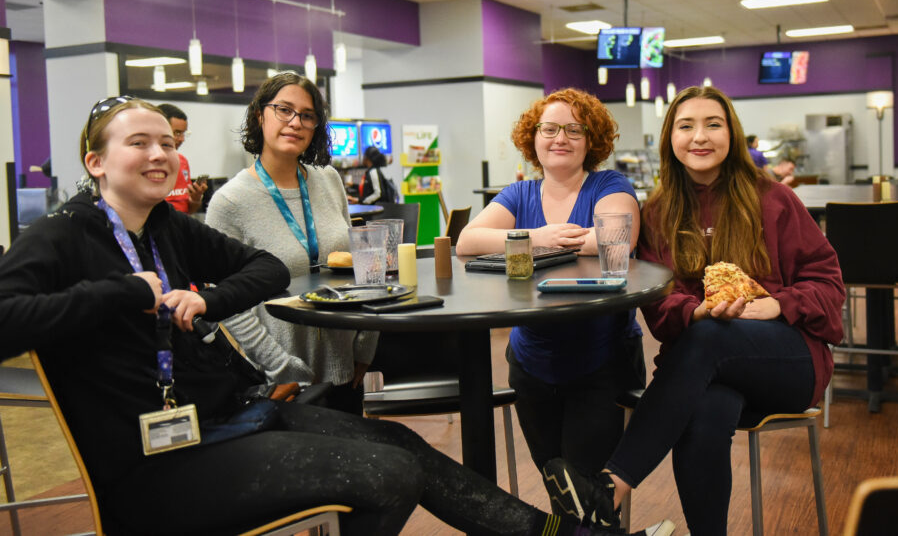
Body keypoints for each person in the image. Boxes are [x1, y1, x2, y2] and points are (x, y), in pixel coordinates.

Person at [0, 96, 675, 536]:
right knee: (390, 474)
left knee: (405, 446)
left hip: (225, 418)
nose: (157, 154)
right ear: (95, 162)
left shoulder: (170, 230)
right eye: (137, 144)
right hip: (153, 463)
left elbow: (262, 271)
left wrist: (205, 298)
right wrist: (125, 293)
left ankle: (565, 533)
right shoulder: (63, 236)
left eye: (165, 143)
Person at [541, 86, 844, 536]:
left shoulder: (776, 200)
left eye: (713, 125)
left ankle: (610, 487)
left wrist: (778, 304)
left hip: (788, 364)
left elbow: (829, 283)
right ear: (670, 139)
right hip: (701, 374)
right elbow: (660, 309)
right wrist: (697, 312)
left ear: (731, 134)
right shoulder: (659, 213)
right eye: (686, 126)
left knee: (707, 341)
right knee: (704, 410)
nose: (699, 137)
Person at [456, 88, 646, 501]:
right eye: (550, 128)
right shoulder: (519, 194)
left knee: (588, 486)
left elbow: (619, 239)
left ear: (591, 141)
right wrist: (535, 235)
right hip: (531, 361)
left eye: (574, 129)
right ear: (534, 137)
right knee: (558, 487)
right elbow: (467, 241)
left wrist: (525, 242)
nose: (560, 137)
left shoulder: (609, 184)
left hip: (601, 359)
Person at [206, 72, 373, 414]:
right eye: (284, 110)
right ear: (259, 116)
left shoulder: (328, 181)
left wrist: (364, 345)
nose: (295, 122)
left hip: (346, 368)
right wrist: (280, 368)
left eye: (307, 115)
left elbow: (359, 266)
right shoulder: (230, 203)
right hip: (280, 381)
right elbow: (228, 303)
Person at [157, 103, 207, 214]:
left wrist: (195, 198)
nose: (182, 139)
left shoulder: (182, 161)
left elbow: (188, 211)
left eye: (184, 133)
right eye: (177, 133)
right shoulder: (150, 163)